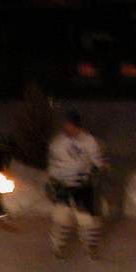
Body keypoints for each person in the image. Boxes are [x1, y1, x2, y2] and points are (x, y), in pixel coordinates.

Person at [46, 110, 104, 258]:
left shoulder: (89, 141)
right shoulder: (58, 142)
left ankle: (89, 247)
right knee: (61, 219)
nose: (67, 128)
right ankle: (57, 247)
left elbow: (97, 163)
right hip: (63, 186)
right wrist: (52, 182)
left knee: (87, 220)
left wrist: (91, 174)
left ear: (76, 125)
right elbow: (52, 164)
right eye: (65, 125)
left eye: (70, 125)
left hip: (82, 187)